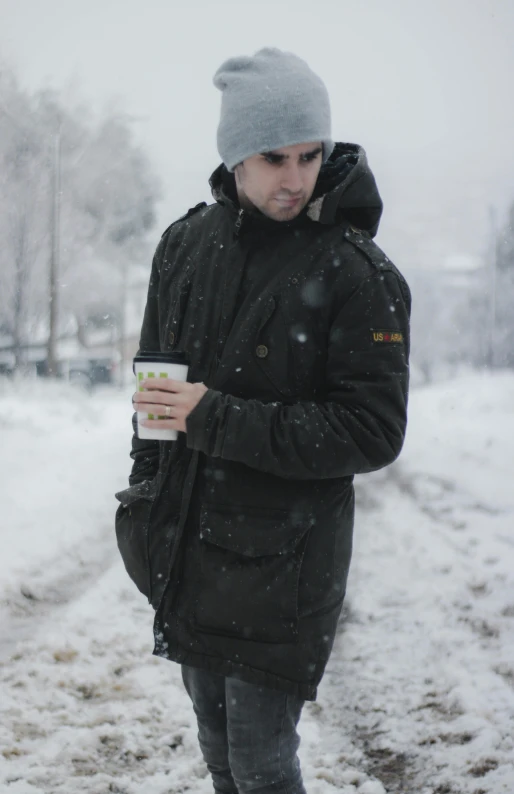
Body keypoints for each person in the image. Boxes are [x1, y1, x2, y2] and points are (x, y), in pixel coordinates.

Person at [116, 47, 411, 794]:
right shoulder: (183, 248)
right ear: (235, 157)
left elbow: (371, 431)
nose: (295, 177)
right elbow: (156, 392)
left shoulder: (354, 272)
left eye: (310, 155)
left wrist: (215, 419)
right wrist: (144, 497)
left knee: (262, 766)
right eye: (274, 156)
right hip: (188, 547)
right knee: (217, 752)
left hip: (284, 566)